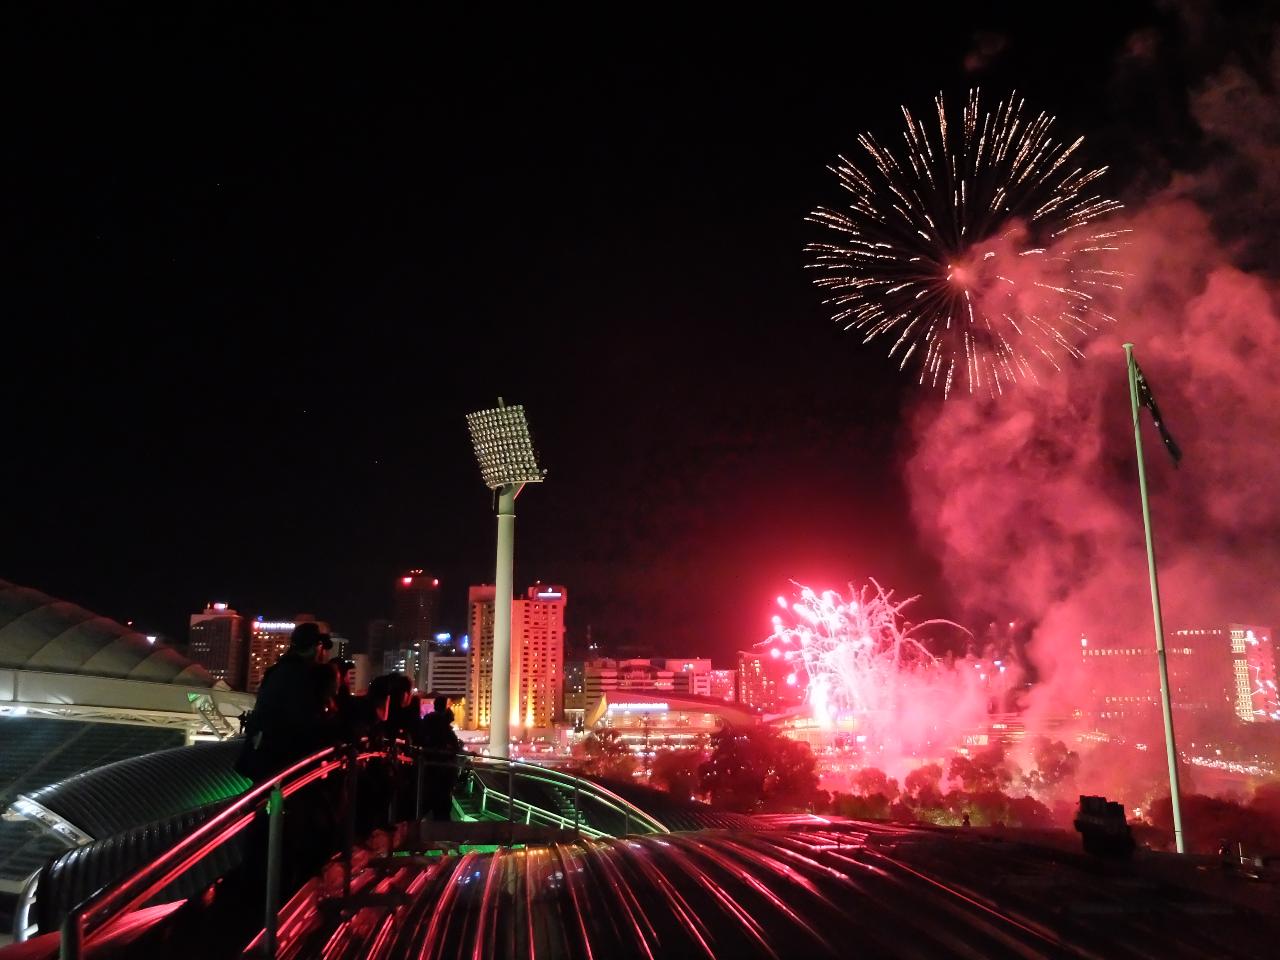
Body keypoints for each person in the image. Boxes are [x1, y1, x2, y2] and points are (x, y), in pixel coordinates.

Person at [236, 622, 335, 782]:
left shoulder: (277, 671)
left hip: (262, 757)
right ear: (316, 647)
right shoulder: (307, 676)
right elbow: (306, 722)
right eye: (321, 647)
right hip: (285, 762)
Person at [419, 696, 462, 821]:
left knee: (428, 802)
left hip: (429, 768)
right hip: (443, 769)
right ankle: (441, 833)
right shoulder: (443, 724)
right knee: (442, 804)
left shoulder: (428, 720)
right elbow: (453, 745)